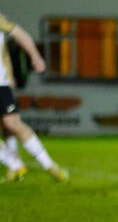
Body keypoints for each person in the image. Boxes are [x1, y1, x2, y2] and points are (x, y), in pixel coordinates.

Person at [0, 12, 68, 182]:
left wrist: (35, 56)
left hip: (0, 82)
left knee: (12, 123)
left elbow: (19, 33)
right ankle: (15, 164)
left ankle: (49, 165)